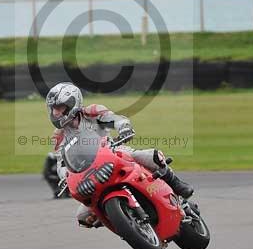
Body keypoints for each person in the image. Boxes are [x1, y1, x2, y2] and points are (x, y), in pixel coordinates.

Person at [45, 82, 194, 227]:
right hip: (87, 171)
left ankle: (176, 184)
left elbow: (115, 119)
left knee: (151, 156)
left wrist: (124, 128)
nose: (56, 113)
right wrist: (65, 176)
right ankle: (123, 220)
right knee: (83, 217)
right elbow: (61, 163)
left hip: (113, 151)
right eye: (53, 109)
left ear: (73, 103)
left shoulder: (91, 112)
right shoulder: (58, 136)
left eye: (60, 108)